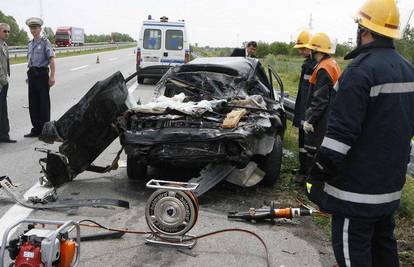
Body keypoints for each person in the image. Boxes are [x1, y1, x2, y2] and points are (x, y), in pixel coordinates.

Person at [307, 0, 414, 266]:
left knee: (354, 255)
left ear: (364, 29)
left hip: (354, 197)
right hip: (388, 191)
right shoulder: (407, 69)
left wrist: (317, 175)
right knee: (383, 253)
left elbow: (338, 139)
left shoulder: (358, 71)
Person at [302, 32, 341, 176]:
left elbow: (319, 99)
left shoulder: (323, 69)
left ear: (315, 50)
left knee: (314, 151)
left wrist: (310, 120)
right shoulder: (331, 64)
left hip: (322, 119)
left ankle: (312, 184)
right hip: (330, 114)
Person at [24, 17, 55, 138]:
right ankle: (36, 129)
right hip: (32, 75)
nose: (33, 30)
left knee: (43, 103)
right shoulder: (30, 44)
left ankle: (45, 130)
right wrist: (29, 75)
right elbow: (30, 61)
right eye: (31, 28)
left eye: (35, 28)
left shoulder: (45, 42)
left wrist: (52, 76)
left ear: (40, 29)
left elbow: (52, 60)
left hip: (42, 75)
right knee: (33, 104)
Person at [292, 30, 316, 184]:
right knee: (302, 143)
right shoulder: (308, 64)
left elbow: (312, 94)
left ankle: (307, 174)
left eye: (302, 48)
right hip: (304, 111)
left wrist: (308, 116)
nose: (300, 51)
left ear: (310, 48)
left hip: (309, 113)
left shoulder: (314, 66)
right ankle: (303, 169)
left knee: (308, 144)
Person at [0, 22, 16, 143]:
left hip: (4, 82)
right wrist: (3, 80)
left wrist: (6, 79)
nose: (7, 33)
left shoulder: (4, 45)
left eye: (8, 31)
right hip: (1, 81)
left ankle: (4, 135)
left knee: (3, 108)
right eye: (4, 31)